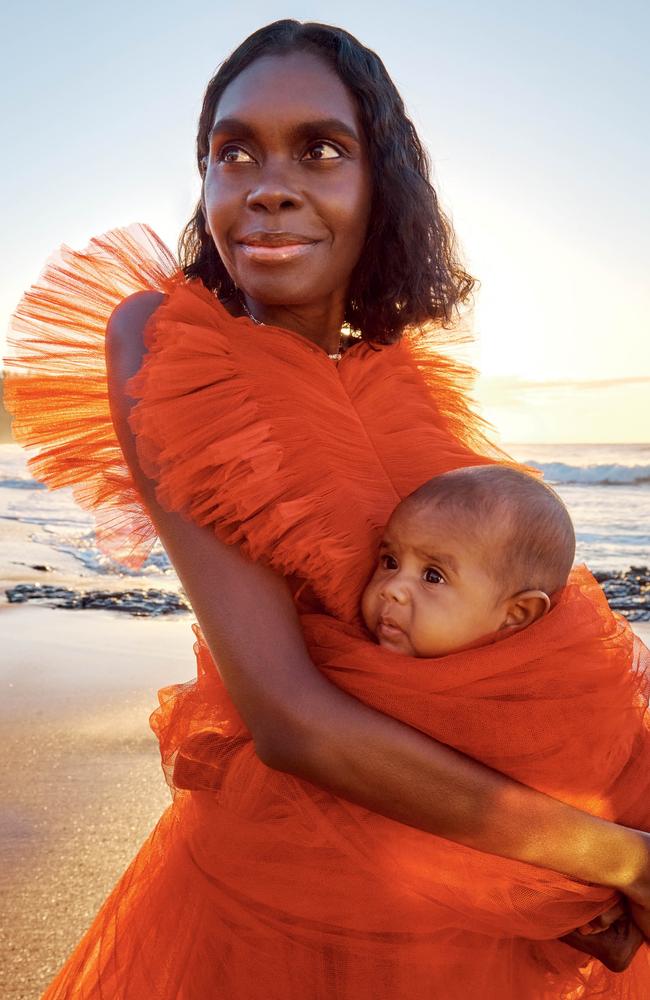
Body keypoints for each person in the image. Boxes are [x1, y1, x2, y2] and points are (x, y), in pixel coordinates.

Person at [4, 18, 650, 999]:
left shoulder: (409, 380)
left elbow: (509, 606)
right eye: (232, 152)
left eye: (320, 148)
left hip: (491, 888)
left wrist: (574, 855)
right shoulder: (169, 344)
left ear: (376, 182)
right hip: (295, 892)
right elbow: (289, 719)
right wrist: (618, 858)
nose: (267, 181)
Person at [361, 465, 574, 657]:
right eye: (390, 562)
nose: (392, 588)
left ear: (516, 614)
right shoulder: (350, 655)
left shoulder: (511, 695)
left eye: (433, 576)